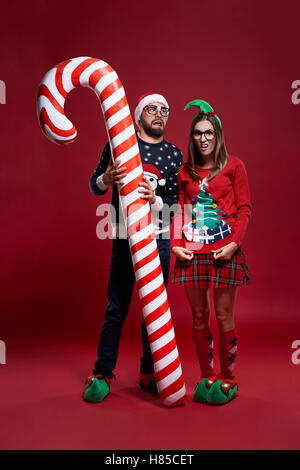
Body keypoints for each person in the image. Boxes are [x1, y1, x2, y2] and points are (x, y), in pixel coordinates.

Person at [84, 93, 183, 403]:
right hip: (124, 237)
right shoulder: (119, 144)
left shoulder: (173, 154)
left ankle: (149, 372)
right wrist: (105, 178)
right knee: (116, 307)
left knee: (154, 310)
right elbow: (93, 185)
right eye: (152, 109)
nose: (159, 115)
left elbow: (175, 205)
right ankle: (102, 373)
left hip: (160, 239)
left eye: (164, 110)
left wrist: (157, 202)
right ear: (139, 116)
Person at [171, 99, 251, 405]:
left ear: (217, 136)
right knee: (199, 315)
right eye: (197, 133)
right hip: (192, 251)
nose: (203, 138)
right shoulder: (185, 172)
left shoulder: (234, 165)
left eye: (209, 133)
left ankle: (228, 378)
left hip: (225, 250)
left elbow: (244, 209)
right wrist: (177, 244)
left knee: (223, 313)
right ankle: (207, 377)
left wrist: (234, 244)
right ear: (191, 137)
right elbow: (180, 208)